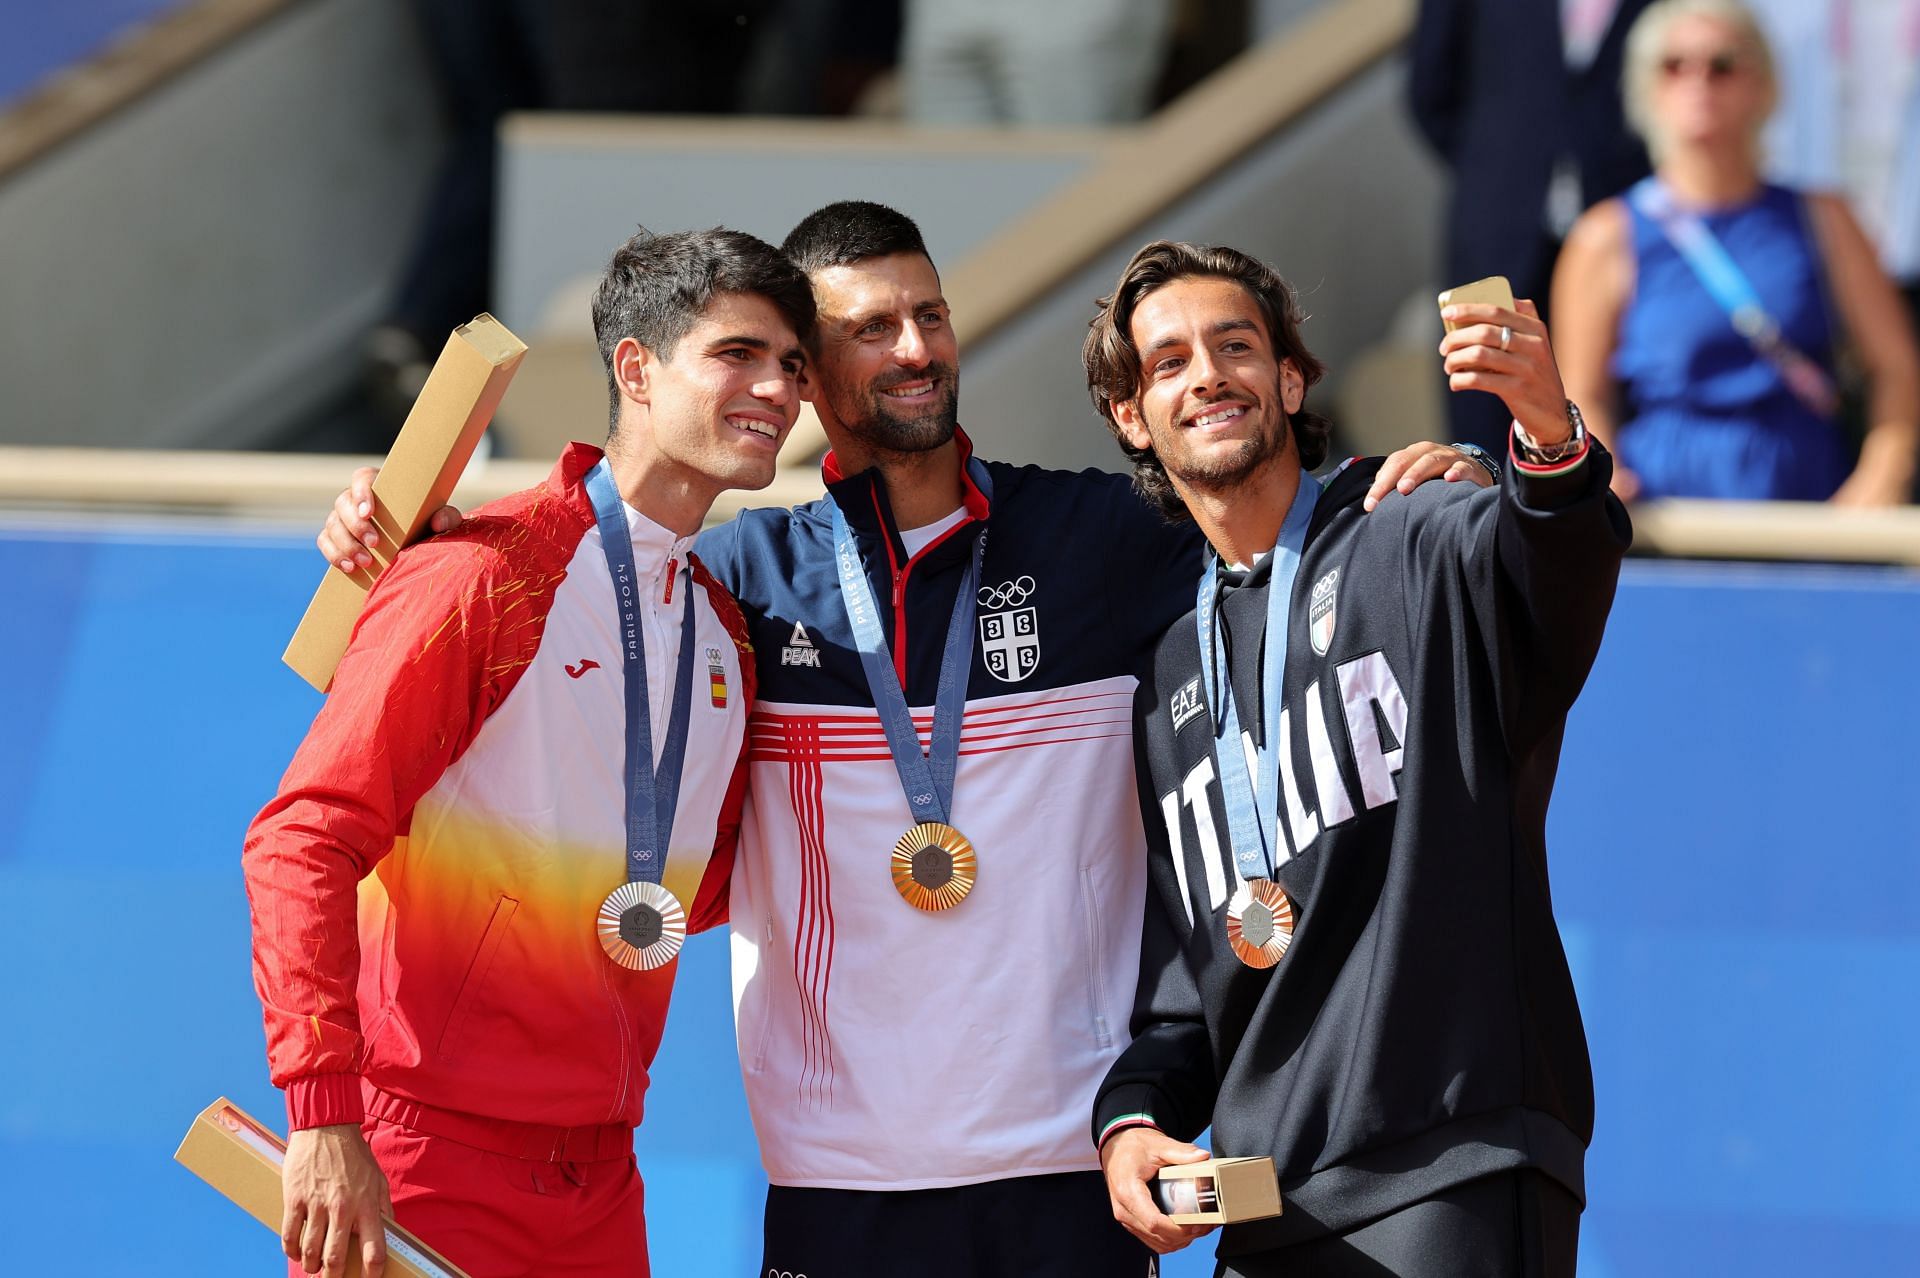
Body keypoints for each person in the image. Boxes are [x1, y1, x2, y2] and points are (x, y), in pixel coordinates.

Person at [317, 202, 1493, 1275]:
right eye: (870, 329)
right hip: (839, 1181)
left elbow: (1262, 515)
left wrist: (1428, 480)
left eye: (930, 314)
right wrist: (417, 541)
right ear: (813, 383)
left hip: (1067, 1173)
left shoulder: (1105, 538)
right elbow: (579, 638)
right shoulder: (738, 595)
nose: (919, 347)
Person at [246, 227, 813, 1278]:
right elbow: (301, 840)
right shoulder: (480, 575)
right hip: (420, 1161)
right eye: (739, 353)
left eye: (792, 366)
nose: (778, 389)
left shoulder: (724, 636)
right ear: (635, 367)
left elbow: (703, 880)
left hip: (601, 1182)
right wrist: (324, 1119)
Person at [1085, 240, 1629, 1276]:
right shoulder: (1164, 679)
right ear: (1131, 418)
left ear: (1289, 380)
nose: (1207, 374)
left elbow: (1554, 571)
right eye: (1167, 363)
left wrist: (1544, 438)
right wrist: (1133, 1123)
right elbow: (1183, 993)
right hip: (1265, 1206)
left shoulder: (1411, 528)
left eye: (1236, 345)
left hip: (1452, 1167)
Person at [1551, 0, 1920, 503]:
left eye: (1722, 65)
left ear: (1764, 86)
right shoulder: (1605, 235)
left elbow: (1896, 368)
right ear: (1646, 89)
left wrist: (1880, 477)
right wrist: (1604, 476)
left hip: (1808, 506)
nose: (1698, 82)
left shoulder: (1824, 218)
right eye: (1674, 65)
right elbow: (1581, 394)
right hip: (1664, 512)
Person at [1409, 0, 1655, 453]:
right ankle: (1491, 520)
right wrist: (1495, 170)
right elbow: (1430, 88)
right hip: (1500, 219)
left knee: (1624, 395)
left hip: (1626, 224)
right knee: (1485, 395)